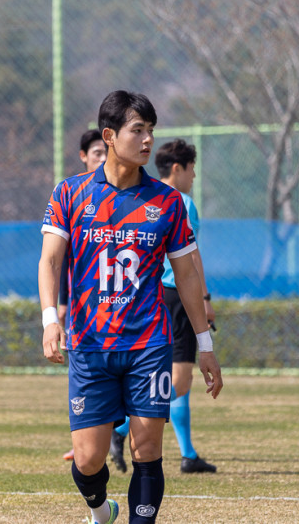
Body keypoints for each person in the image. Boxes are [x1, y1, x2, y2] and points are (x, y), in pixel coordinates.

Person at [38, 90, 223, 524]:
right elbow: (50, 261)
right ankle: (101, 509)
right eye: (137, 130)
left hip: (149, 345)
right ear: (109, 135)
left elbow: (188, 276)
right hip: (90, 345)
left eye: (150, 131)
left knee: (147, 450)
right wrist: (49, 320)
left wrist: (205, 345)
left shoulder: (168, 202)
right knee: (88, 459)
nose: (147, 140)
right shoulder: (70, 193)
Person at [154, 139, 218, 473]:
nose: (194, 176)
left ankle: (188, 454)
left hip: (152, 295)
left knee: (172, 376)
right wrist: (204, 300)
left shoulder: (147, 196)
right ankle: (119, 428)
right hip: (178, 296)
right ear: (177, 168)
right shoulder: (181, 202)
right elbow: (191, 257)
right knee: (180, 380)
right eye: (192, 169)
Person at [61, 129, 108, 462]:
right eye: (96, 153)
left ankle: (110, 433)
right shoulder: (73, 194)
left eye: (106, 152)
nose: (102, 159)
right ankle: (86, 438)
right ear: (83, 157)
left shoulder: (131, 197)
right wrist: (59, 307)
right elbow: (60, 258)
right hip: (85, 317)